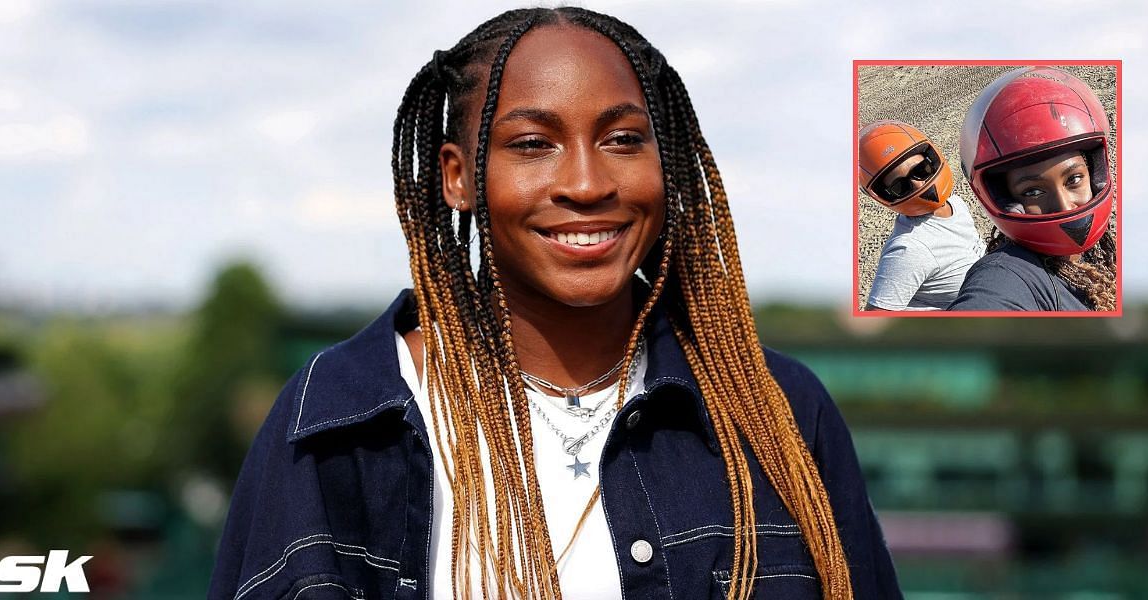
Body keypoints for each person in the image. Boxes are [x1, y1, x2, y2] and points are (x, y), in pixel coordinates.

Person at [208, 8, 900, 600]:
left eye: (623, 139)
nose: (586, 181)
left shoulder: (776, 414)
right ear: (457, 177)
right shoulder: (340, 423)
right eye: (533, 144)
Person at [949, 67, 1117, 312]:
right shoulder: (1005, 275)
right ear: (1004, 198)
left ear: (1095, 175)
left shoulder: (1103, 249)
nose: (1064, 206)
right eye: (1033, 192)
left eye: (1074, 179)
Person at [859, 120, 983, 310]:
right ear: (884, 195)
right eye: (900, 186)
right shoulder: (909, 249)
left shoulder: (955, 204)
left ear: (932, 157)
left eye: (921, 170)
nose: (918, 185)